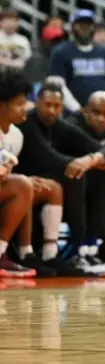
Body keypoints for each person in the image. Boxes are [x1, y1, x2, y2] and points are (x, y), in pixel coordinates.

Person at [16, 81, 105, 276]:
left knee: (104, 175)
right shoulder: (27, 123)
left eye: (57, 106)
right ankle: (76, 248)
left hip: (51, 182)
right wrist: (80, 164)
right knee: (74, 176)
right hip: (26, 179)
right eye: (47, 105)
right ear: (36, 102)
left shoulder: (60, 125)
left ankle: (91, 247)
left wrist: (91, 160)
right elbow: (48, 157)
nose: (52, 111)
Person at [0, 71, 37, 277]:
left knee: (32, 187)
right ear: (3, 105)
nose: (26, 108)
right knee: (23, 185)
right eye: (20, 103)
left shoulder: (16, 135)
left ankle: (25, 253)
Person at [48, 10, 105, 110]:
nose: (84, 27)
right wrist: (76, 109)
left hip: (101, 111)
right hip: (72, 113)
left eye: (88, 24)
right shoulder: (61, 52)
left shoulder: (104, 52)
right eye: (80, 24)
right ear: (73, 27)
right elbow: (57, 83)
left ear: (94, 27)